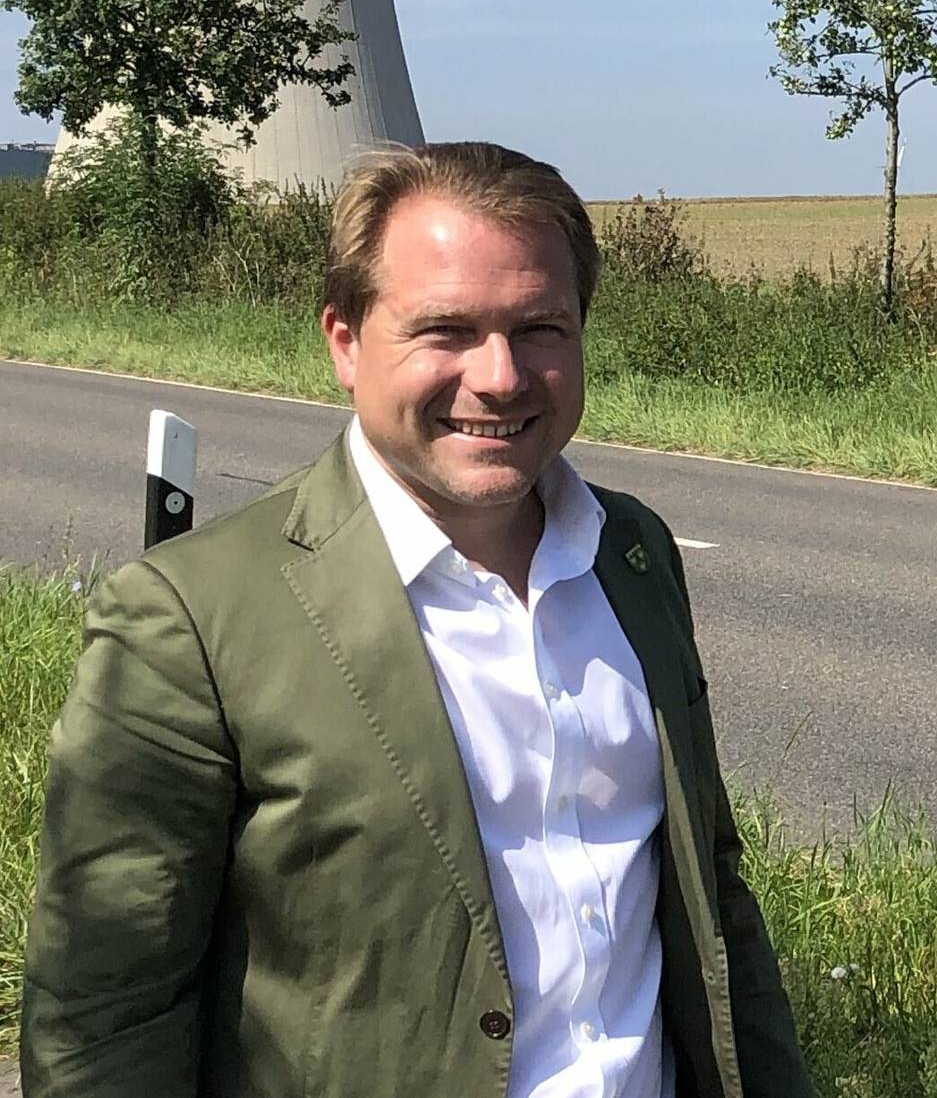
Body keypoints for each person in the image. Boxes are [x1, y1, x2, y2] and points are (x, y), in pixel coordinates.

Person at [22, 142, 813, 1098]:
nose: (500, 375)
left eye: (541, 327)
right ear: (345, 342)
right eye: (445, 329)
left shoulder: (633, 555)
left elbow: (711, 892)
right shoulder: (190, 620)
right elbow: (108, 1016)